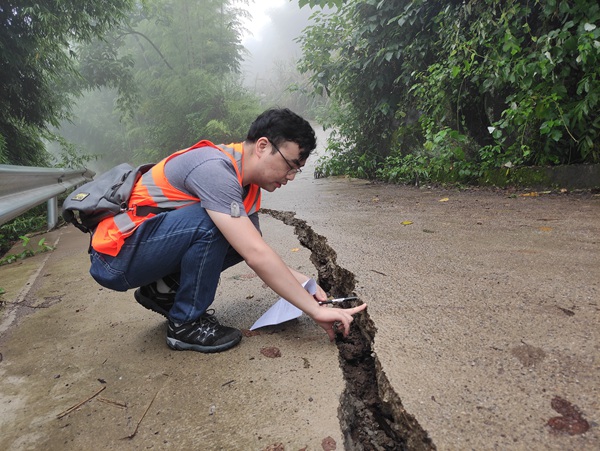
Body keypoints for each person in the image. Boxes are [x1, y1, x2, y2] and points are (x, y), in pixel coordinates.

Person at [88, 108, 367, 353]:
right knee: (211, 223)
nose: (291, 177)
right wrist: (314, 310)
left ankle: (162, 291)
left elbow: (251, 248)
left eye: (298, 170)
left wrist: (304, 285)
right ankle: (185, 324)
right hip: (116, 256)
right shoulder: (214, 169)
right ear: (262, 146)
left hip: (144, 247)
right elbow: (255, 253)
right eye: (290, 165)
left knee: (234, 234)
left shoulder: (247, 185)